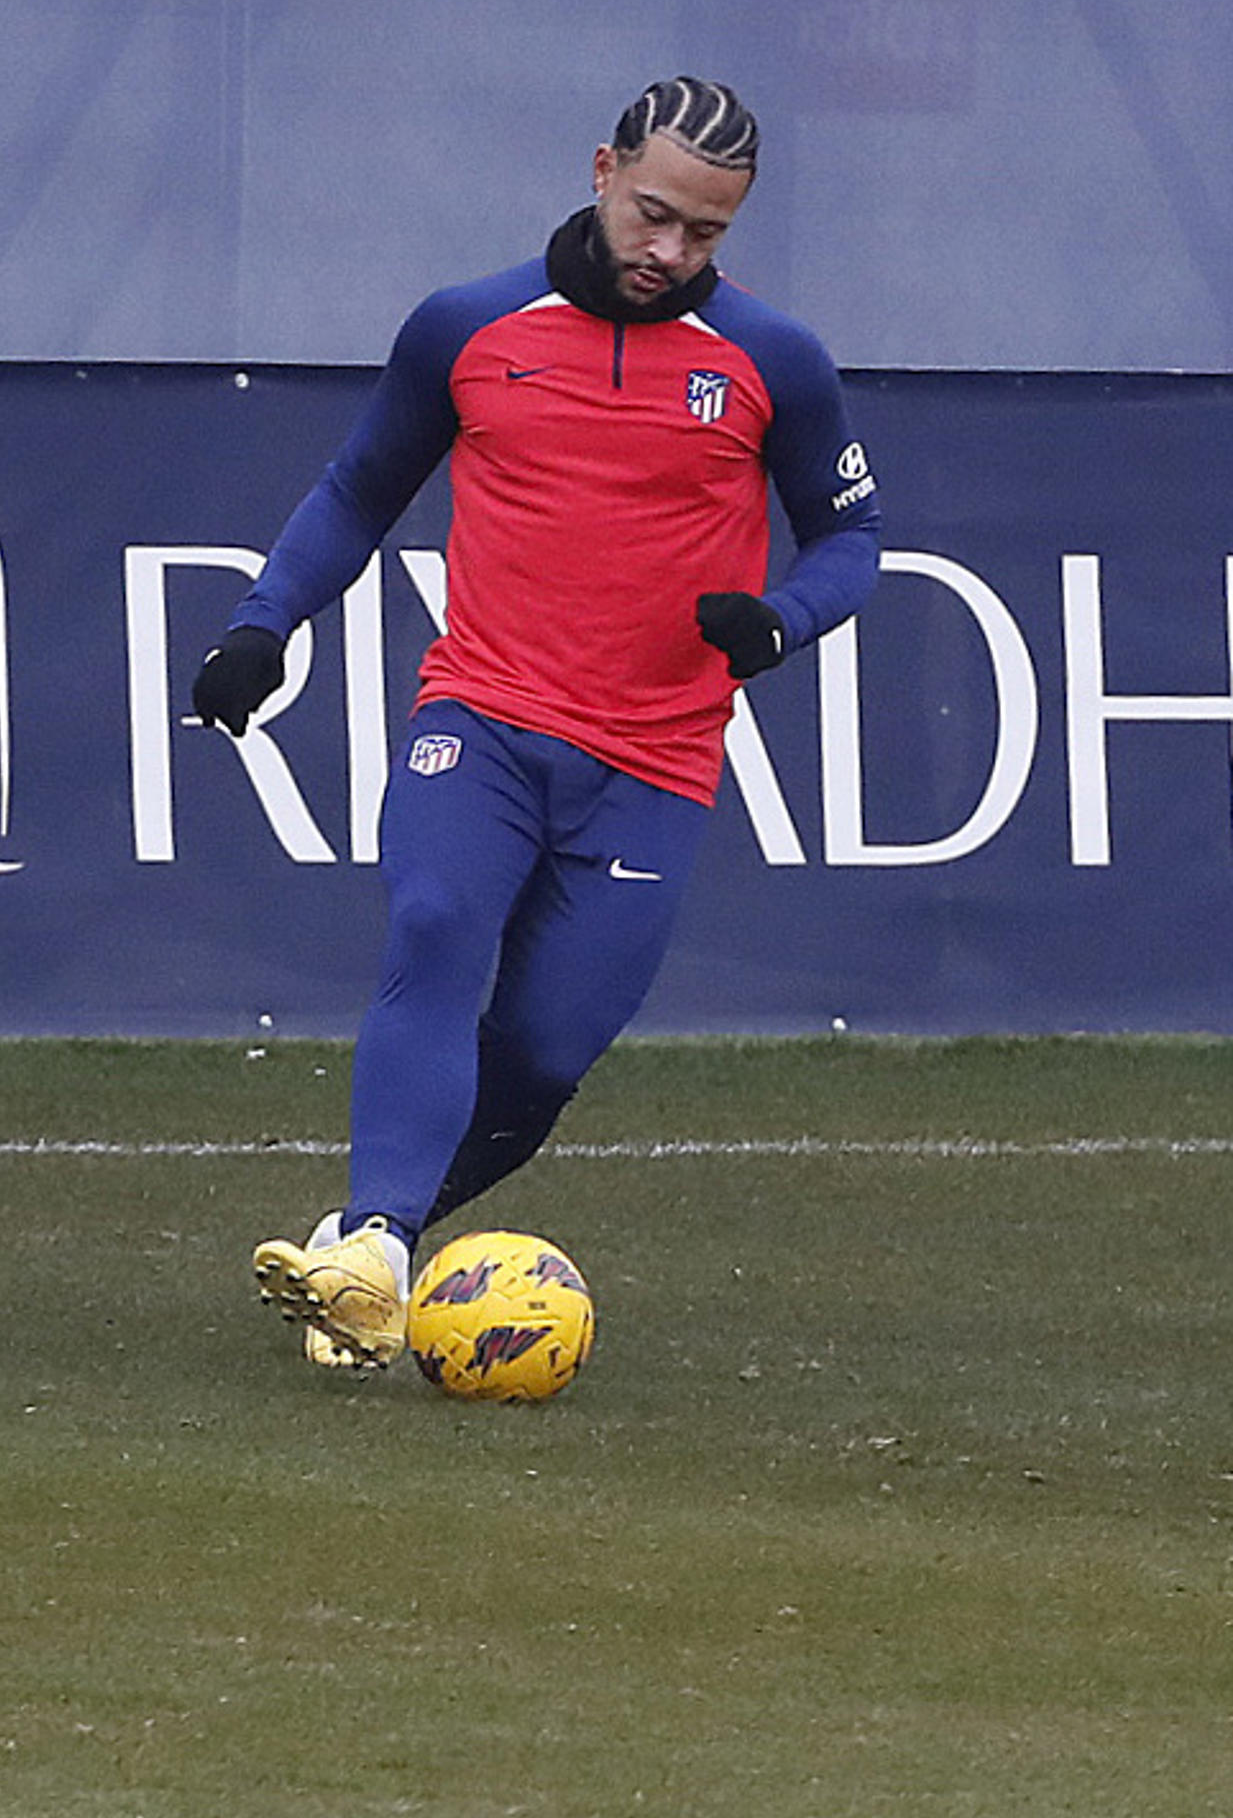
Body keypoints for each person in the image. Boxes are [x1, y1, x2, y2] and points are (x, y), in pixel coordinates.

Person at [192, 76, 882, 1371]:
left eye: (706, 235)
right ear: (603, 167)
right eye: (655, 214)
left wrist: (781, 620)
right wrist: (261, 623)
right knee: (437, 925)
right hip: (485, 718)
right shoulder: (466, 327)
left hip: (653, 765)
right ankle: (380, 1245)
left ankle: (365, 1250)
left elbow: (852, 539)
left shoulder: (772, 363)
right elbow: (356, 491)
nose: (670, 251)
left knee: (543, 1054)